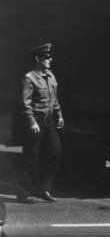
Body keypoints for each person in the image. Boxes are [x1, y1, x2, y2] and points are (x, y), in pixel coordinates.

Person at [17, 43, 64, 204]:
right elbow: (25, 103)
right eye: (46, 57)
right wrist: (31, 122)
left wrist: (59, 115)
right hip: (35, 123)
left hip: (49, 122)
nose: (50, 60)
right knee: (31, 157)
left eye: (50, 57)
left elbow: (54, 99)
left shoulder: (51, 76)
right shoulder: (29, 78)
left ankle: (43, 188)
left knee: (55, 154)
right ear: (38, 58)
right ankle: (24, 193)